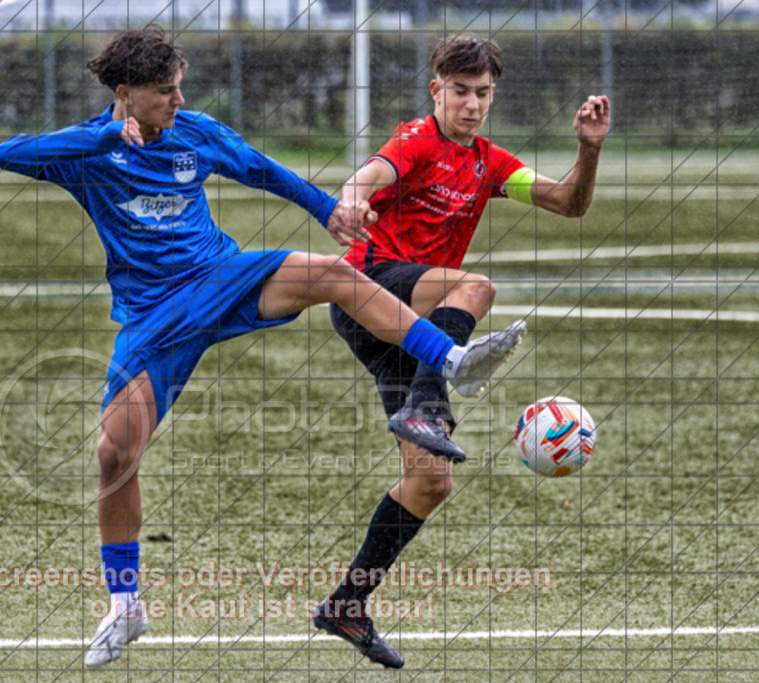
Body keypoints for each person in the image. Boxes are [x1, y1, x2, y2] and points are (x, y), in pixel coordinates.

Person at [0, 26, 526, 667]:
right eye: (166, 91)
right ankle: (126, 604)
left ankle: (450, 359)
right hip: (152, 317)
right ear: (125, 93)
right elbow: (9, 152)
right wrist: (104, 135)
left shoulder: (197, 132)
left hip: (222, 278)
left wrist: (329, 209)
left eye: (180, 86)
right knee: (115, 453)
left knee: (331, 273)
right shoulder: (88, 150)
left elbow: (264, 171)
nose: (179, 99)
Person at [313, 32, 611, 668]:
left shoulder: (491, 163)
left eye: (483, 94)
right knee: (476, 286)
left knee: (429, 482)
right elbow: (374, 172)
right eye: (460, 92)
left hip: (411, 317)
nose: (472, 104)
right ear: (437, 91)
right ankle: (428, 396)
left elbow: (569, 203)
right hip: (367, 288)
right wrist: (354, 195)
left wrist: (589, 152)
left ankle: (347, 604)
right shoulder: (418, 139)